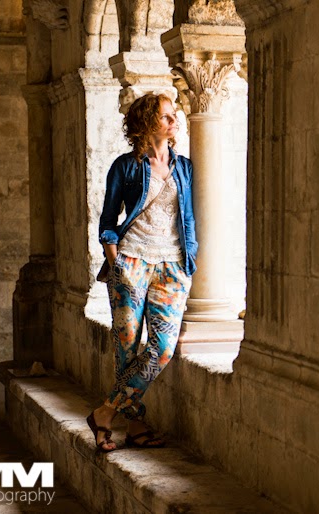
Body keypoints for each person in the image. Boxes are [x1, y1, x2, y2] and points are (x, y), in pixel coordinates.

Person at [86, 93, 197, 451]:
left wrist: (189, 261)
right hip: (131, 261)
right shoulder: (125, 166)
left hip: (171, 266)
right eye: (166, 116)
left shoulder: (184, 167)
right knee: (127, 350)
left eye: (174, 115)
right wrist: (114, 257)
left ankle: (105, 413)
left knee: (162, 348)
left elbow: (189, 218)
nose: (173, 120)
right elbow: (107, 220)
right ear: (148, 122)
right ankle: (134, 427)